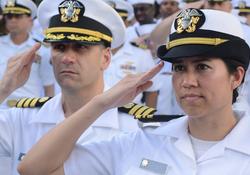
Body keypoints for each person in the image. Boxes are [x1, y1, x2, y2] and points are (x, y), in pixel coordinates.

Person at [18, 8, 250, 175]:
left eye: (202, 67)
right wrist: (101, 104)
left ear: (237, 76)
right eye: (179, 68)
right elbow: (33, 168)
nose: (188, 81)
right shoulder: (143, 142)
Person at [0, 0, 157, 174]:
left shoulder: (137, 127)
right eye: (60, 47)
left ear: (105, 58)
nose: (67, 58)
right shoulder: (24, 118)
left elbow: (162, 168)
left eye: (81, 47)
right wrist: (3, 89)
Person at [0, 0, 55, 108]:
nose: (12, 20)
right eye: (9, 16)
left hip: (29, 110)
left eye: (18, 16)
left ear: (30, 19)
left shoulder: (41, 49)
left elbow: (48, 87)